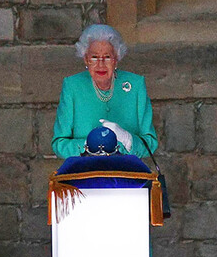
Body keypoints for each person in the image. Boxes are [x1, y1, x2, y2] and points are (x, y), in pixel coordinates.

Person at [52, 24, 158, 160]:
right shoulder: (72, 86)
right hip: (85, 175)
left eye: (107, 57)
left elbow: (150, 143)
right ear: (86, 59)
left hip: (126, 174)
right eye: (94, 57)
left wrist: (127, 139)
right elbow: (59, 144)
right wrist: (89, 146)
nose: (101, 64)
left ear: (116, 60)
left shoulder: (135, 85)